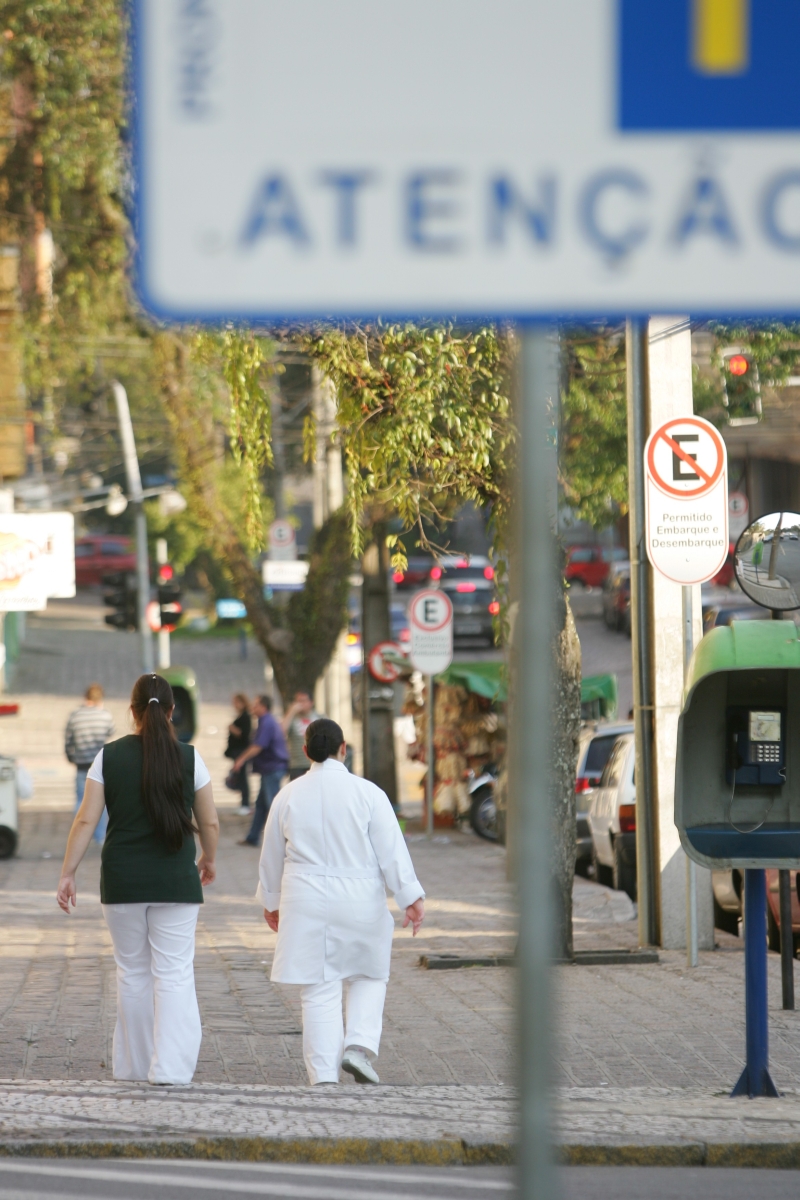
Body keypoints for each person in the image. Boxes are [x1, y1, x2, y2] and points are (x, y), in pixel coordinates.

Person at [56, 673, 219, 1087]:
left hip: (122, 880)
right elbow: (211, 821)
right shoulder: (191, 757)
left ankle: (132, 1068)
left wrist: (68, 872)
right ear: (171, 711)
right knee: (174, 972)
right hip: (176, 882)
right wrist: (209, 858)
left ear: (132, 712)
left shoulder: (108, 757)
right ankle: (169, 1070)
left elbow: (86, 818)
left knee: (131, 972)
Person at [258, 718, 425, 1086]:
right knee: (370, 973)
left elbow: (271, 855)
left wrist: (272, 901)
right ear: (343, 748)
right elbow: (391, 851)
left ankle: (323, 1076)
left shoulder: (287, 796)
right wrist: (409, 897)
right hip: (360, 898)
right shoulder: (368, 794)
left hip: (304, 899)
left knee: (318, 988)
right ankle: (359, 1047)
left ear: (306, 752)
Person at [235, 695, 289, 847]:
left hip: (272, 768)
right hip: (269, 768)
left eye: (256, 704)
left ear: (264, 707)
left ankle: (283, 840)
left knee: (273, 804)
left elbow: (258, 746)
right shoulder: (266, 721)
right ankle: (253, 837)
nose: (253, 707)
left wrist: (241, 759)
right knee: (261, 804)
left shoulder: (267, 722)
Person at [64, 683, 115, 843]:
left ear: (86, 697)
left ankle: (78, 835)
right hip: (100, 766)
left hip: (82, 765)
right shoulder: (105, 715)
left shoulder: (75, 715)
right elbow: (110, 733)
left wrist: (70, 756)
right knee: (102, 802)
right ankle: (100, 837)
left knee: (80, 799)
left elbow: (68, 740)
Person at [281, 690, 320, 781]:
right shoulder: (292, 718)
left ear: (311, 702)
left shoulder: (319, 717)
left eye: (303, 700)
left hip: (316, 763)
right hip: (296, 765)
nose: (300, 704)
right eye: (298, 701)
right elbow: (281, 732)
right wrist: (291, 712)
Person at [225, 693, 252, 814]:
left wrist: (233, 729)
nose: (235, 705)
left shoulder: (246, 717)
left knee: (242, 777)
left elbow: (244, 735)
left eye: (237, 702)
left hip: (241, 751)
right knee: (240, 777)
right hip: (237, 751)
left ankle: (245, 804)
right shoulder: (241, 716)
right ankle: (244, 804)